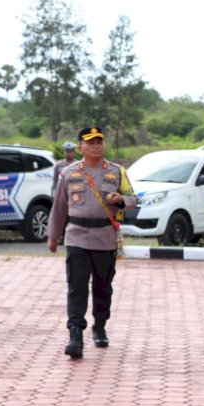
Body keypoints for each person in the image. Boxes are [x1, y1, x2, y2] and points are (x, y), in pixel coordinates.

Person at [47, 127, 137, 359]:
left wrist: (121, 200)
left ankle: (100, 325)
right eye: (91, 142)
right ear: (80, 148)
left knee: (102, 287)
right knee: (76, 286)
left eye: (99, 141)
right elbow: (59, 206)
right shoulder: (69, 173)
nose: (96, 145)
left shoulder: (117, 172)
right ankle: (75, 334)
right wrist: (53, 236)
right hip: (76, 236)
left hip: (105, 238)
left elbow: (134, 199)